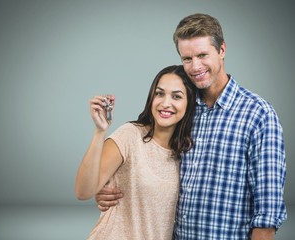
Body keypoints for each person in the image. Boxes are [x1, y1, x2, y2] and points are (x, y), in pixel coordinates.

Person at [95, 13, 287, 240]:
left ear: (222, 50)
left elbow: (267, 214)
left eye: (203, 55)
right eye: (187, 58)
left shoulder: (258, 114)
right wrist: (107, 186)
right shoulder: (180, 108)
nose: (195, 66)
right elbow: (146, 157)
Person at [75, 65, 196, 239]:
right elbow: (83, 191)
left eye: (176, 96)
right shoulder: (130, 135)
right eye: (159, 93)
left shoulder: (185, 153)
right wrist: (100, 132)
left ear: (189, 103)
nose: (165, 103)